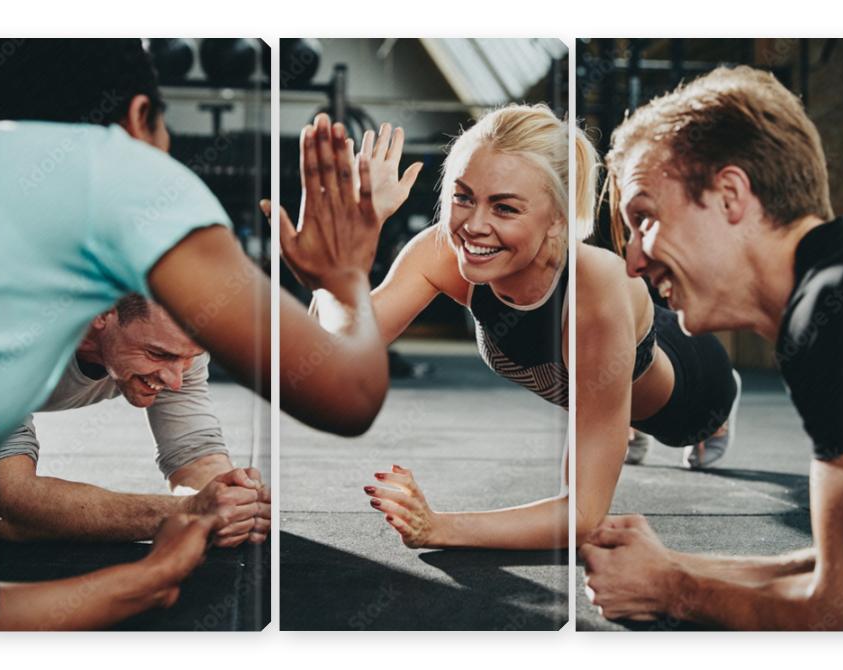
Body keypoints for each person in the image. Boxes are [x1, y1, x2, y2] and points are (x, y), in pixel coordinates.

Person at [0, 38, 386, 629]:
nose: (174, 372)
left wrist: (223, 500)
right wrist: (345, 276)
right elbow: (350, 394)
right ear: (142, 117)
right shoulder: (118, 169)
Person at [279, 105, 737, 551]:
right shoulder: (443, 251)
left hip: (691, 394)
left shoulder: (591, 291)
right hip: (608, 361)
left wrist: (439, 527)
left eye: (505, 209)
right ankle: (616, 425)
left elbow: (581, 516)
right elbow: (330, 353)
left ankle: (669, 425)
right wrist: (339, 260)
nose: (474, 226)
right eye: (463, 197)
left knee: (657, 413)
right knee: (600, 401)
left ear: (558, 217)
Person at [578, 65, 843, 630]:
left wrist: (672, 589)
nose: (633, 261)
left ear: (731, 195)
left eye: (645, 218)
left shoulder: (832, 316)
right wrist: (673, 566)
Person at [0, 294, 268, 547]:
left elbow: (196, 456)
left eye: (188, 358)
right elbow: (5, 506)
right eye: (158, 354)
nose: (176, 381)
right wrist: (185, 512)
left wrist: (232, 501)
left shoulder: (176, 343)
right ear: (101, 313)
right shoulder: (3, 334)